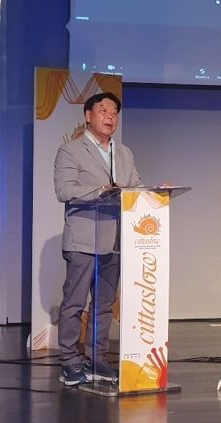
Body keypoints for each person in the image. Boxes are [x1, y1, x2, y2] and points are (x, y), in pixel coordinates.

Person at [54, 92, 142, 385]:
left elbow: (135, 187)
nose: (110, 117)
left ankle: (96, 359)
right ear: (88, 116)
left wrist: (155, 192)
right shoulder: (70, 150)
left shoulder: (124, 153)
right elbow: (64, 190)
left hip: (115, 240)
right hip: (83, 239)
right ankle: (69, 361)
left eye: (114, 112)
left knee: (104, 305)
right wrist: (100, 191)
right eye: (103, 111)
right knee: (74, 303)